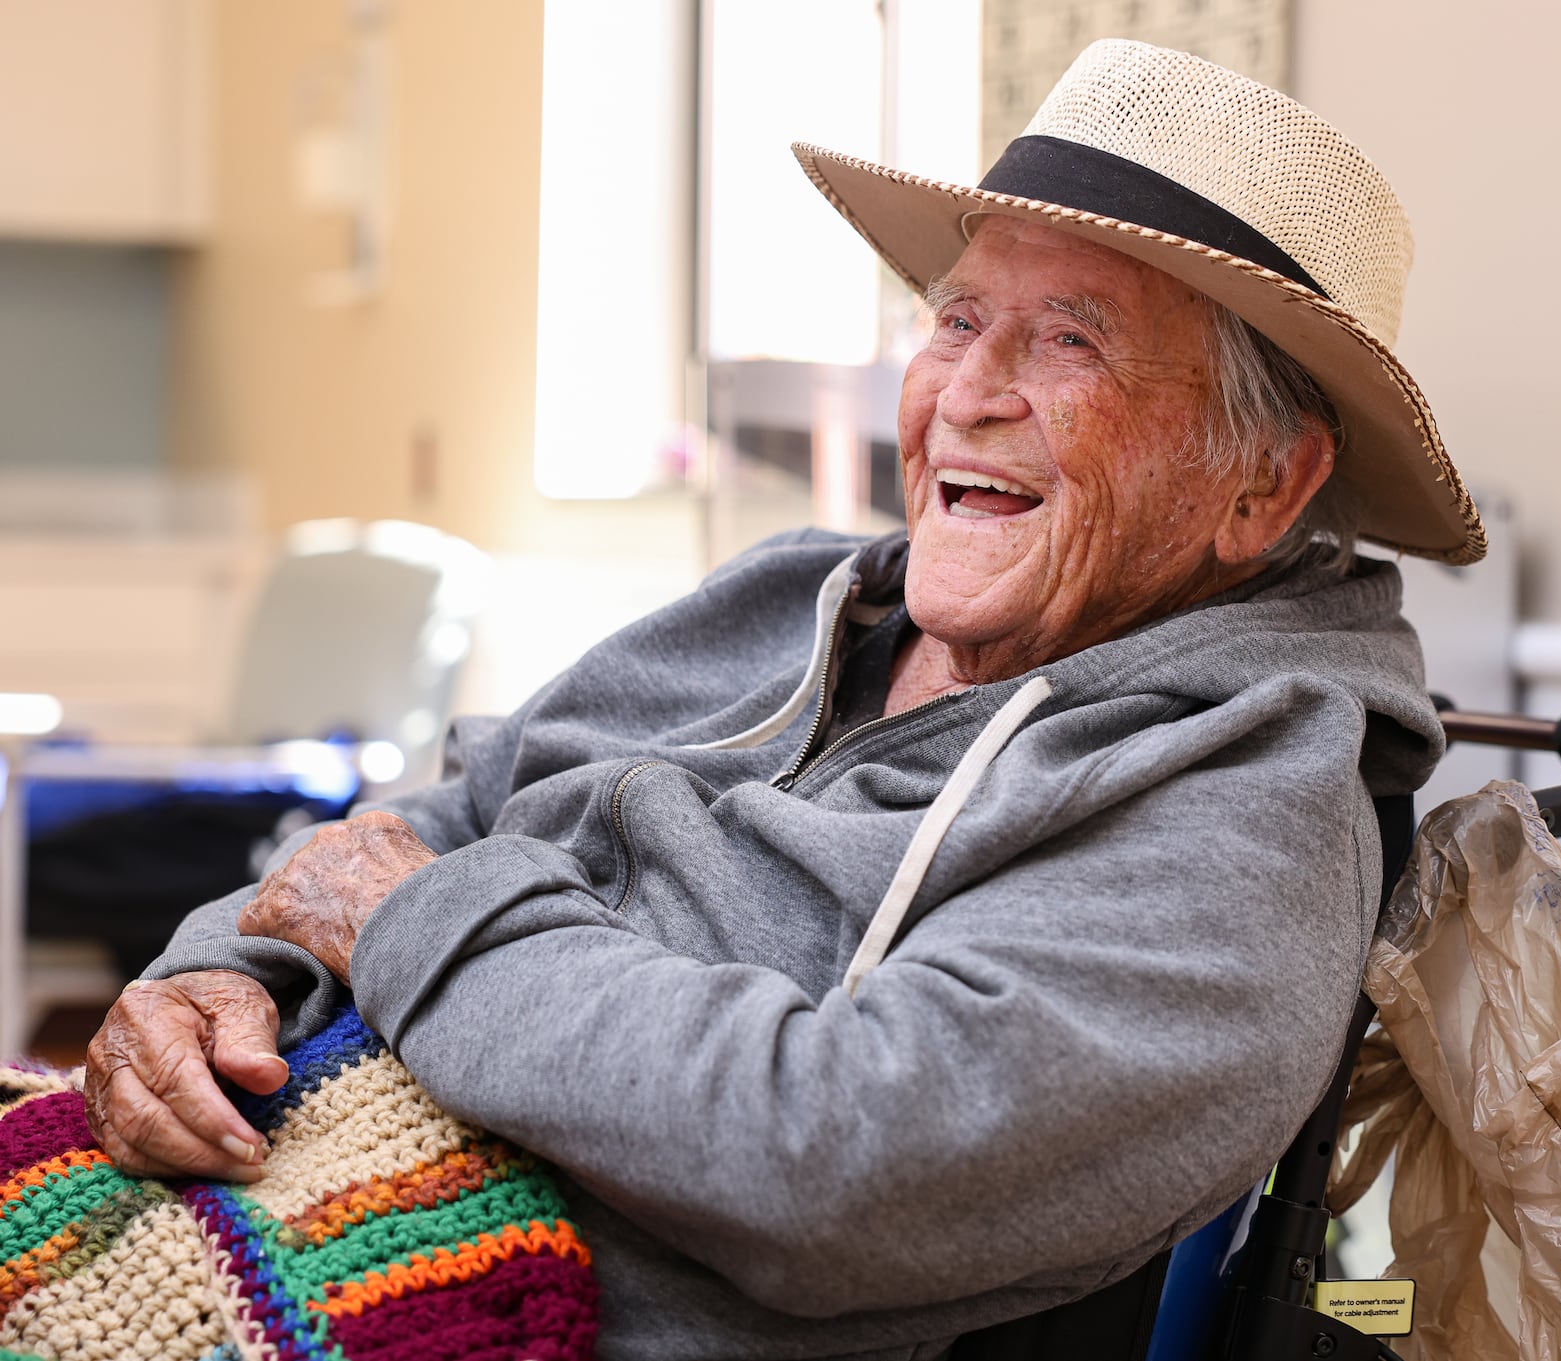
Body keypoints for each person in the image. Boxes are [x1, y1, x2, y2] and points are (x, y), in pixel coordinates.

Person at [83, 39, 1481, 1359]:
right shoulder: (790, 596)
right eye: (958, 319)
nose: (968, 394)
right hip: (255, 1209)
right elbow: (433, 822)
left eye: (1071, 342)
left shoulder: (1242, 813)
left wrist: (414, 926)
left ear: (1265, 482)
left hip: (452, 1307)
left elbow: (841, 1161)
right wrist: (216, 979)